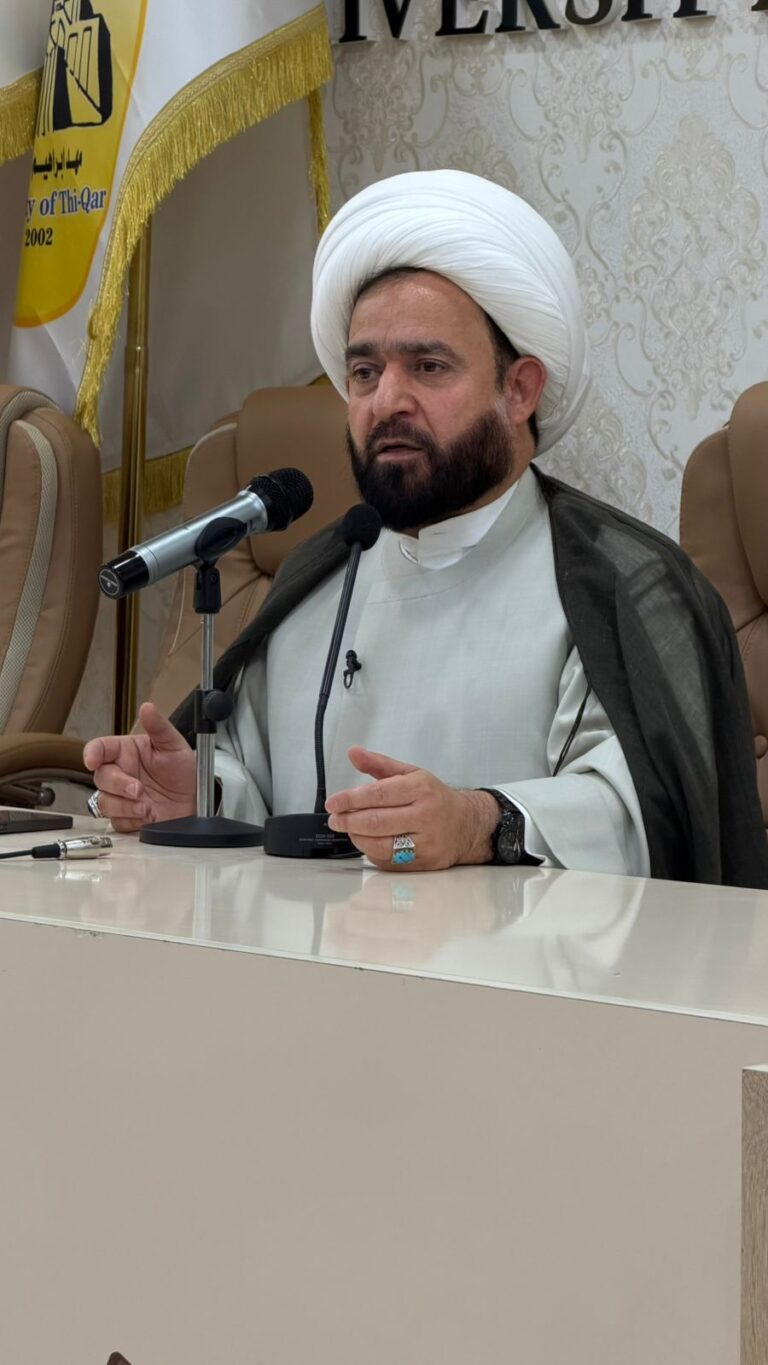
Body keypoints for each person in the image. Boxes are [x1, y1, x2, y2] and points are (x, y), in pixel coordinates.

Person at [83, 171, 768, 887]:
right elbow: (266, 793)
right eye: (364, 372)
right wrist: (200, 795)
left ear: (519, 389)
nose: (387, 401)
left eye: (429, 366)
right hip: (302, 953)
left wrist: (479, 822)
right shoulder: (319, 575)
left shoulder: (617, 584)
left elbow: (645, 822)